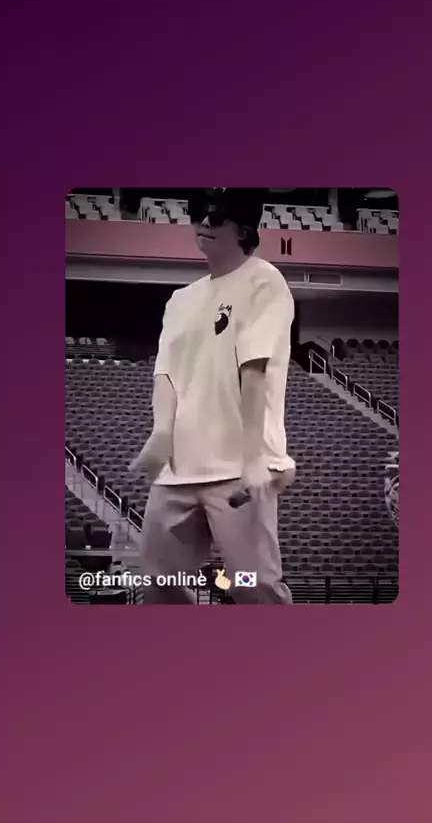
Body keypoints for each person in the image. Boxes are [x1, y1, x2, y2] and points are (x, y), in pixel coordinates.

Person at [130, 188, 296, 604]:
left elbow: (254, 369)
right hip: (177, 471)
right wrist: (161, 433)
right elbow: (166, 374)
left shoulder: (263, 280)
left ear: (243, 231)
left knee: (252, 584)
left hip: (238, 472)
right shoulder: (179, 301)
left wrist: (254, 457)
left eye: (217, 217)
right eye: (200, 215)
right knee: (159, 583)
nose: (204, 224)